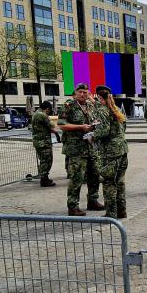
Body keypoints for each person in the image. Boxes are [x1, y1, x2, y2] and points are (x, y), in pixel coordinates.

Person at [57, 83, 103, 216]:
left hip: (91, 147)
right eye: (80, 92)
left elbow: (96, 119)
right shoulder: (68, 106)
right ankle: (73, 206)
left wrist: (94, 126)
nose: (83, 94)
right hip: (76, 149)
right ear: (75, 93)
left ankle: (93, 201)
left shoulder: (90, 106)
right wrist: (80, 127)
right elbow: (62, 125)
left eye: (85, 92)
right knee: (77, 178)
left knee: (94, 176)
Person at [93, 86, 128, 219]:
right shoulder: (117, 109)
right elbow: (124, 127)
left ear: (100, 98)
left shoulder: (102, 110)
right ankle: (121, 211)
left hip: (110, 152)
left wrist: (92, 136)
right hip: (122, 149)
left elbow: (103, 131)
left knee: (108, 182)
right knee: (120, 182)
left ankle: (111, 213)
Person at [31, 101, 57, 187]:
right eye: (49, 110)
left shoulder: (36, 114)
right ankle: (44, 179)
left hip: (38, 141)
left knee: (43, 160)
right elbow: (52, 126)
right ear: (47, 109)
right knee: (47, 160)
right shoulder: (42, 115)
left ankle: (44, 178)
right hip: (44, 142)